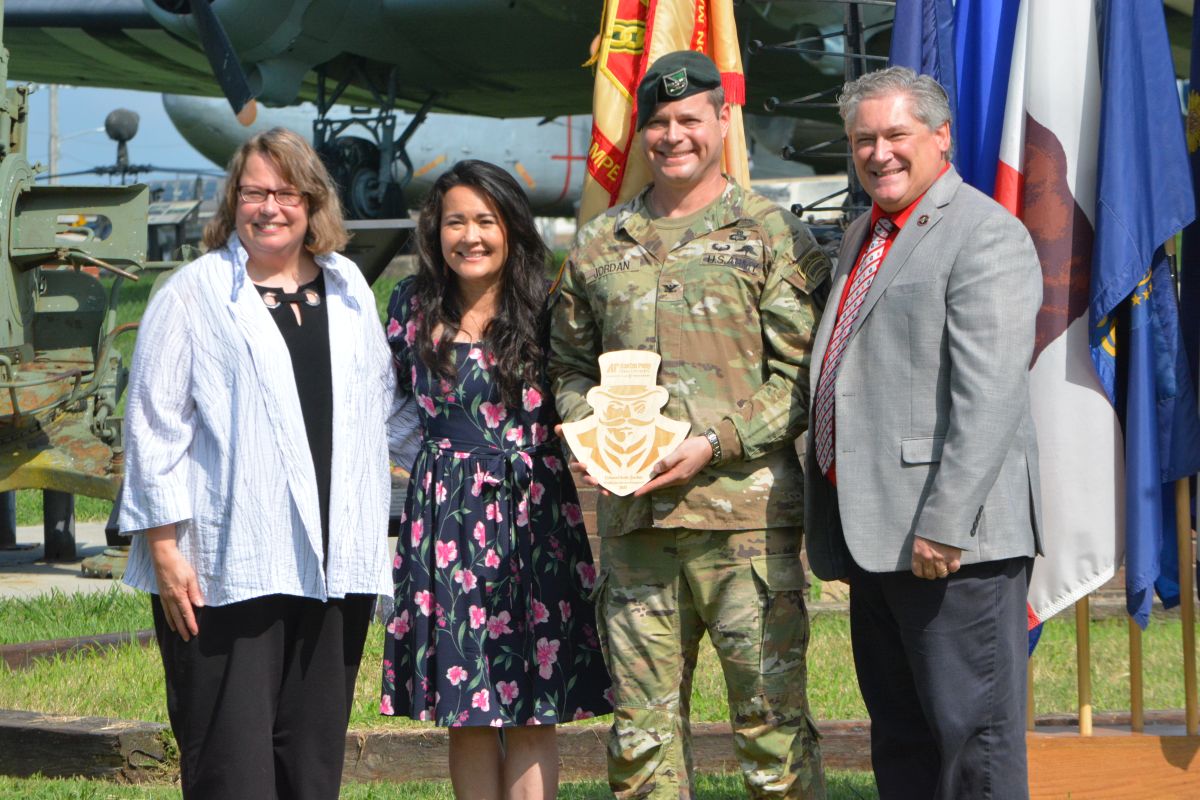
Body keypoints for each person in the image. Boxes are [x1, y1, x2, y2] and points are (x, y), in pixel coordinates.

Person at [550, 50, 830, 800]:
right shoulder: (601, 243)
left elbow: (804, 377)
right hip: (637, 525)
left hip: (745, 528)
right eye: (659, 123)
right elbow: (567, 365)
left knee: (772, 733)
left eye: (689, 120)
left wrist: (713, 441)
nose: (673, 136)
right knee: (641, 743)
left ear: (722, 120)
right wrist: (589, 429)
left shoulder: (771, 234)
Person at [118, 127, 394, 799]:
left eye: (287, 192)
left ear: (313, 202)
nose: (270, 207)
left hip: (334, 567)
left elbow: (380, 404)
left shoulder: (349, 289)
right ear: (233, 202)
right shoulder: (193, 293)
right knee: (231, 766)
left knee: (311, 766)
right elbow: (153, 426)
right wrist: (164, 550)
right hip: (228, 567)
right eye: (253, 192)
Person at [804, 67, 1043, 800]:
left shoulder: (985, 233)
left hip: (950, 545)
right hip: (877, 535)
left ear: (942, 137)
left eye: (896, 135)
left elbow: (989, 395)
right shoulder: (865, 233)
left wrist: (945, 524)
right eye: (863, 139)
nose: (879, 153)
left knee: (973, 748)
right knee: (903, 740)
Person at [380, 159, 611, 800]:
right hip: (446, 520)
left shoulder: (549, 305)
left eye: (486, 220)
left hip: (535, 517)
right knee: (468, 712)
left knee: (536, 708)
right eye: (456, 221)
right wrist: (438, 460)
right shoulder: (409, 305)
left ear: (511, 227)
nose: (471, 236)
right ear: (436, 231)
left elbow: (589, 392)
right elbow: (385, 407)